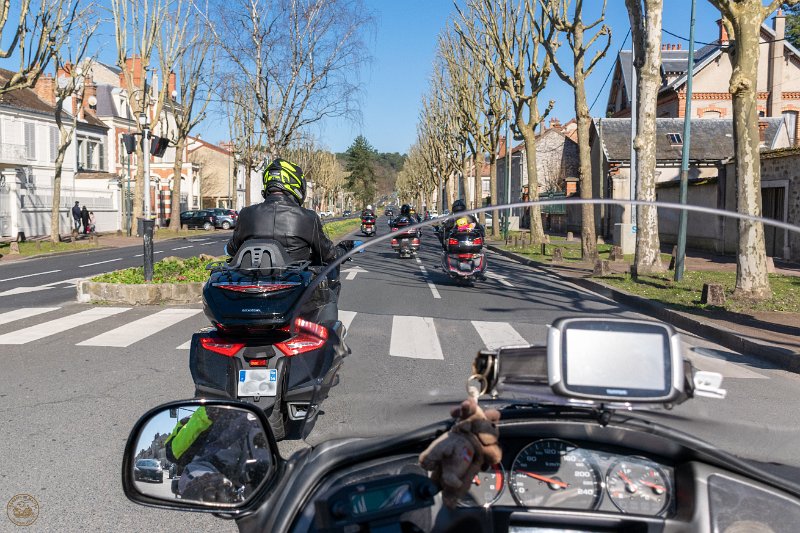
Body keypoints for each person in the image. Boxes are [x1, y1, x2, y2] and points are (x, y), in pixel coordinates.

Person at [226, 158, 337, 265]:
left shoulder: (246, 214)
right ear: (296, 184)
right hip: (295, 276)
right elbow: (327, 254)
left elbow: (231, 250)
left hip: (252, 276)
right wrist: (342, 249)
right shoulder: (308, 217)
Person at [165, 406, 271, 503]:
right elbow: (171, 452)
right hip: (216, 472)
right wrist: (205, 415)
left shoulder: (255, 416)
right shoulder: (194, 418)